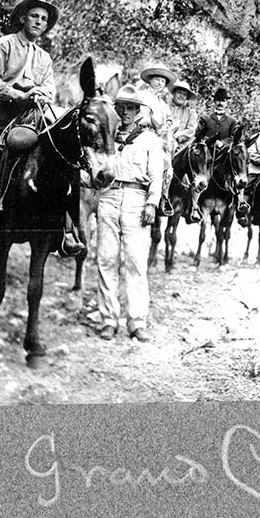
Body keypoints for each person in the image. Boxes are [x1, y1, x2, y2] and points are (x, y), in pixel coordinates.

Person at [0, 0, 83, 253]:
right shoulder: (4, 45)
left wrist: (39, 95)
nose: (39, 21)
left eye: (44, 19)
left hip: (32, 115)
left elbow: (49, 90)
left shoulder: (44, 58)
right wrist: (17, 94)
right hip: (2, 112)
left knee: (62, 154)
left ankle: (67, 230)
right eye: (35, 16)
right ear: (23, 18)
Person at [96, 85, 165, 342]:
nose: (125, 112)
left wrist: (152, 204)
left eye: (130, 108)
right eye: (121, 107)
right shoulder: (108, 137)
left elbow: (157, 174)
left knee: (135, 262)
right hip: (109, 197)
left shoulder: (148, 139)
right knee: (106, 259)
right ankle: (108, 319)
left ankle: (137, 321)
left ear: (137, 111)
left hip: (137, 199)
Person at [136, 63, 177, 217]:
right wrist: (150, 122)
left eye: (163, 81)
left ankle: (163, 198)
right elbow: (139, 116)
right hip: (141, 132)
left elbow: (170, 120)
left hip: (159, 137)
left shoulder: (162, 103)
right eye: (157, 80)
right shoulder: (141, 96)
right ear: (150, 80)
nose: (160, 83)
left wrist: (167, 126)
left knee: (168, 164)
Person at [169, 79, 199, 147]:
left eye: (184, 94)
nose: (181, 96)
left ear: (186, 98)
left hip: (181, 145)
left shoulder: (190, 112)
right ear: (174, 93)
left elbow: (191, 130)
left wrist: (176, 136)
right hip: (164, 142)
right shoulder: (165, 107)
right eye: (179, 93)